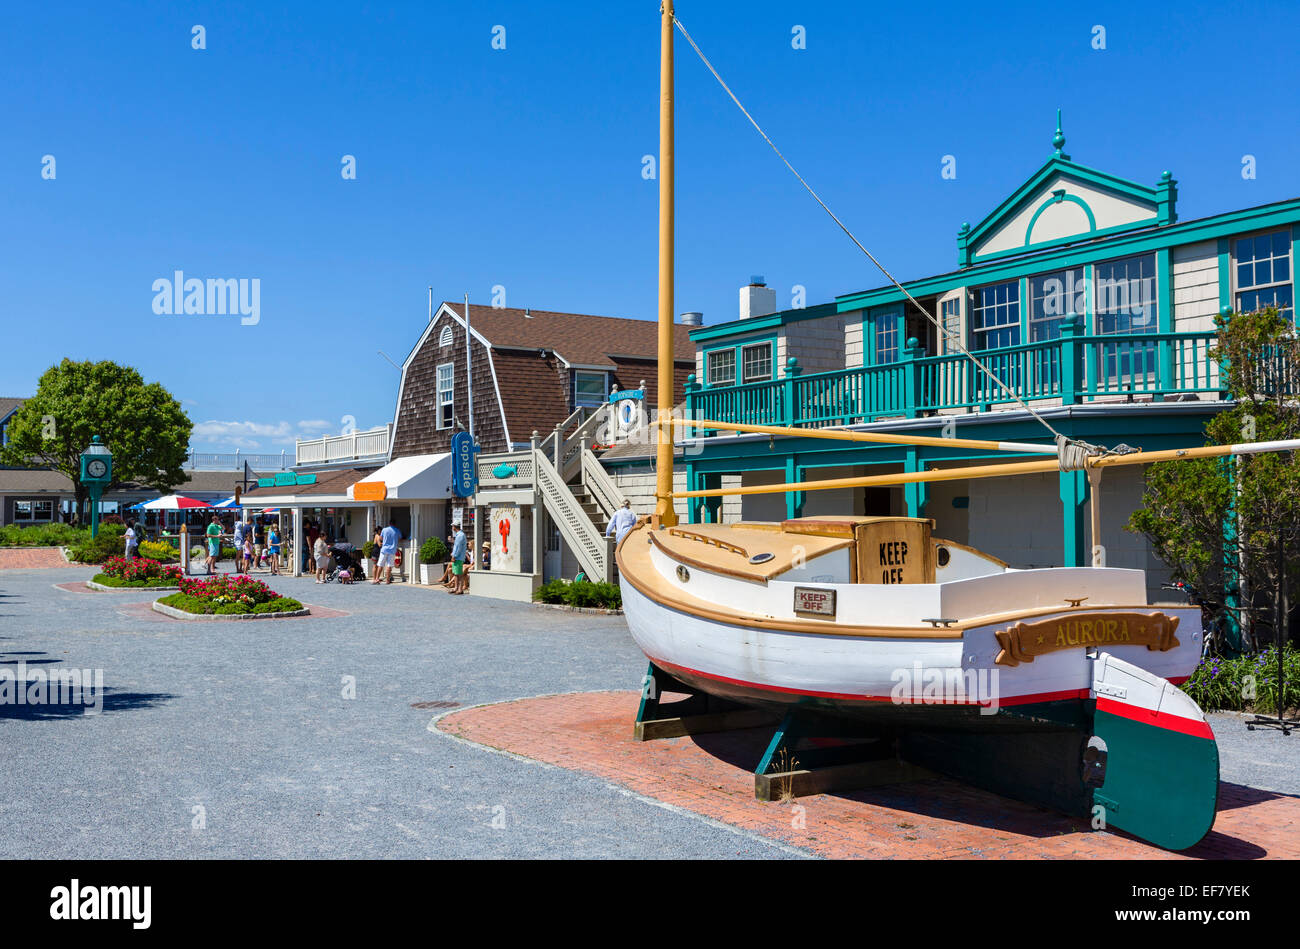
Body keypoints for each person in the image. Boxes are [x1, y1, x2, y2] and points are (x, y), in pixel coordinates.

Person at [374, 519, 400, 585]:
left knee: (380, 564)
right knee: (389, 565)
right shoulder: (397, 530)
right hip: (392, 550)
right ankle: (387, 580)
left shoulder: (384, 530)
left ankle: (377, 579)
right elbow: (400, 538)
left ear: (389, 523)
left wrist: (385, 540)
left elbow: (380, 538)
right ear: (394, 524)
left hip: (384, 549)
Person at [449, 524, 468, 594]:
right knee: (456, 573)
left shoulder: (460, 535)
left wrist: (454, 556)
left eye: (452, 526)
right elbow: (456, 546)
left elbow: (458, 548)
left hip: (458, 557)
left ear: (454, 527)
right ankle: (456, 588)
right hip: (457, 557)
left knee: (459, 573)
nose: (452, 527)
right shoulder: (459, 535)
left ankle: (460, 589)